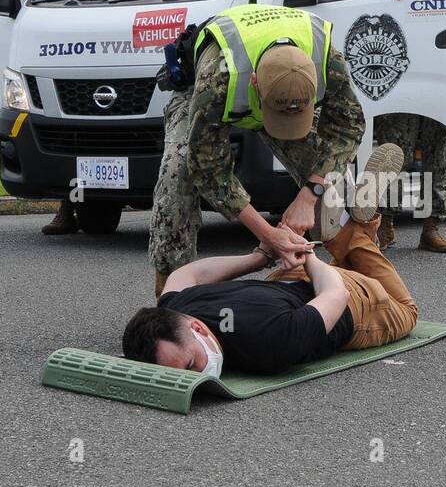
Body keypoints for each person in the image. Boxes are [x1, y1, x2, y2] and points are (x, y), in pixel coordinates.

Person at [124, 144, 416, 374]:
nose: (195, 377)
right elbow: (185, 275)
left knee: (406, 310)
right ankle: (352, 226)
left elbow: (335, 294)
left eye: (191, 366)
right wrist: (262, 257)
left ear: (196, 327)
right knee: (342, 267)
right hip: (285, 280)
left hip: (349, 300)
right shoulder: (174, 311)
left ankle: (351, 234)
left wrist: (304, 254)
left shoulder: (266, 342)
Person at [147, 3, 367, 298]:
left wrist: (309, 195)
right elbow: (208, 166)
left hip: (275, 88)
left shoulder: (328, 61)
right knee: (177, 175)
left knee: (331, 177)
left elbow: (348, 127)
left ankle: (357, 270)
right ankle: (171, 291)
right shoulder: (218, 77)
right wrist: (268, 235)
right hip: (198, 94)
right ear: (254, 84)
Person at [372, 0, 446, 253]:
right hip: (406, 88)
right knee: (396, 153)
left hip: (445, 87)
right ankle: (386, 224)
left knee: (440, 155)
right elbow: (379, 19)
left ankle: (431, 226)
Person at [35, 0, 88, 237]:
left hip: (76, 82)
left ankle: (69, 211)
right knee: (69, 151)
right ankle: (70, 210)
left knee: (77, 150)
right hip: (60, 83)